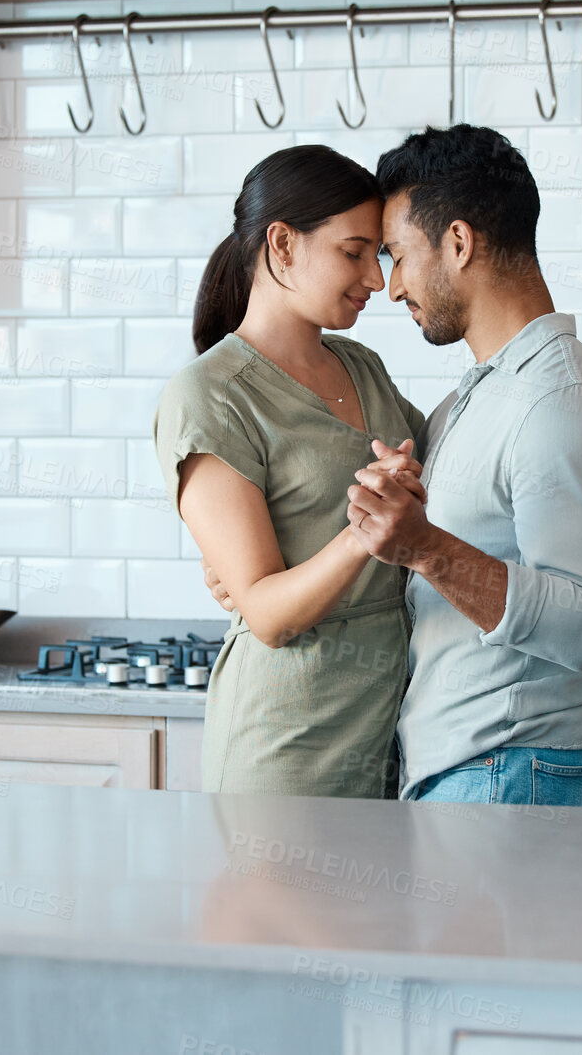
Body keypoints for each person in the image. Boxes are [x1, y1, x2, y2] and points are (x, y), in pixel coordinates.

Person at [346, 125, 582, 807]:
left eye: (396, 255)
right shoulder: (477, 395)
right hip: (474, 768)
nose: (390, 287)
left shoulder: (561, 402)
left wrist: (424, 546)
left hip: (510, 771)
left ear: (457, 241)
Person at [152, 145, 427, 798]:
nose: (373, 278)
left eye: (379, 255)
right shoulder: (210, 394)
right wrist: (365, 530)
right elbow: (269, 616)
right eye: (353, 251)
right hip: (286, 749)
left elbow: (447, 463)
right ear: (281, 245)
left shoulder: (361, 365)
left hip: (387, 738)